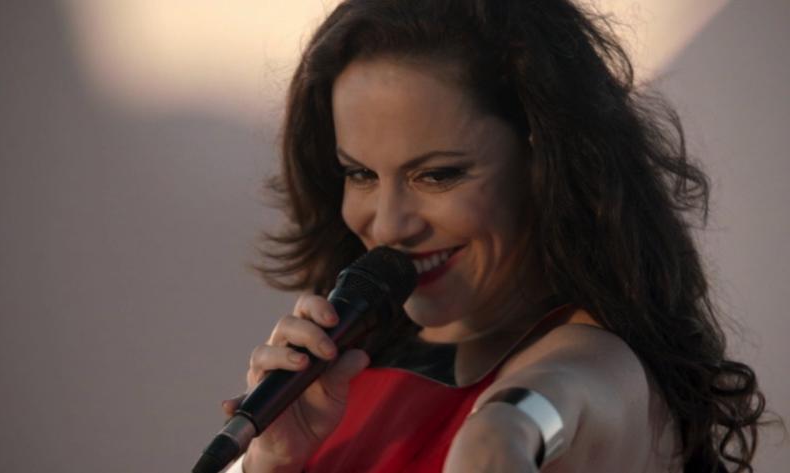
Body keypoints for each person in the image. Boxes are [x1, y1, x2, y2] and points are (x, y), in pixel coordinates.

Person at [221, 0, 767, 471]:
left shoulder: (595, 364)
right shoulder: (337, 382)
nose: (387, 225)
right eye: (360, 173)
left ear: (544, 163)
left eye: (438, 175)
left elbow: (550, 403)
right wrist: (271, 462)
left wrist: (499, 434)